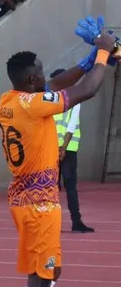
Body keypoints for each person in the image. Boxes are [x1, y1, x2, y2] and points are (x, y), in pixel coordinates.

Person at [0, 27, 115, 287]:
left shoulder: (9, 101)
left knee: (50, 269)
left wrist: (87, 63)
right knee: (42, 274)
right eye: (40, 74)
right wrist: (104, 51)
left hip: (25, 200)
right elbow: (87, 90)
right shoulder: (35, 105)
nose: (45, 77)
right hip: (39, 206)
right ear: (31, 79)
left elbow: (56, 84)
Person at [52, 68, 94, 234]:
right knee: (66, 186)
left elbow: (70, 125)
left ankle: (58, 223)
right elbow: (70, 125)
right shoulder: (72, 98)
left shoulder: (63, 99)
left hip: (61, 148)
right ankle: (75, 222)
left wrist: (60, 148)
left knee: (54, 187)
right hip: (64, 149)